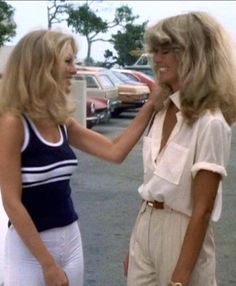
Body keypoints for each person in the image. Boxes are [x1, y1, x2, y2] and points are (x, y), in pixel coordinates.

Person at [0, 29, 170, 286]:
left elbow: (115, 152)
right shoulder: (13, 123)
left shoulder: (61, 122)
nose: (74, 69)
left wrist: (150, 105)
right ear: (41, 65)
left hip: (71, 239)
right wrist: (47, 264)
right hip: (30, 252)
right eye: (67, 61)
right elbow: (11, 202)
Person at [125, 11, 236, 286]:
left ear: (194, 55)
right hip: (146, 222)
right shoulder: (161, 111)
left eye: (166, 51)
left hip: (182, 232)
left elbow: (203, 209)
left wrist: (180, 278)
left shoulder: (210, 123)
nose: (157, 59)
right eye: (156, 51)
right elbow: (152, 184)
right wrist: (137, 242)